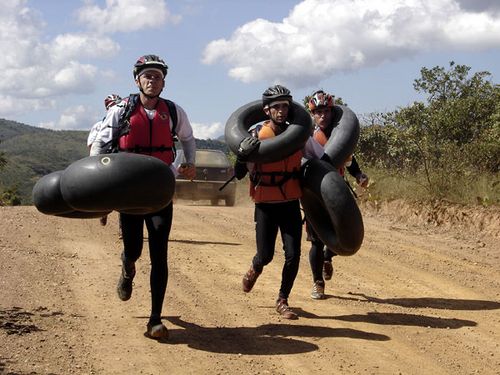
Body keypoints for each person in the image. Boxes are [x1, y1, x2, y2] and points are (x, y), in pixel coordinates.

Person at [90, 54, 196, 340]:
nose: (152, 80)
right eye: (147, 75)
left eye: (158, 76)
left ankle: (155, 319)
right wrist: (96, 182)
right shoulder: (122, 110)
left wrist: (189, 160)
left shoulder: (173, 111)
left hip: (160, 189)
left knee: (160, 254)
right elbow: (101, 141)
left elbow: (187, 137)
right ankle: (127, 266)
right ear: (137, 80)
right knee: (135, 249)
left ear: (164, 81)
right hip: (131, 191)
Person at [235, 85, 325, 320]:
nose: (281, 111)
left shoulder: (297, 134)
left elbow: (320, 157)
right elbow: (239, 174)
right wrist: (242, 155)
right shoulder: (255, 135)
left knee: (293, 254)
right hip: (265, 204)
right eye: (276, 107)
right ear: (266, 110)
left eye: (285, 106)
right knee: (265, 255)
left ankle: (283, 299)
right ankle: (255, 267)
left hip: (289, 203)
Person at [305, 90, 369, 300]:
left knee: (343, 233)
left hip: (338, 194)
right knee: (316, 240)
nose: (322, 116)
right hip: (314, 195)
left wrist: (359, 175)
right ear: (312, 115)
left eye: (326, 111)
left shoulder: (340, 135)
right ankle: (318, 283)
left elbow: (350, 161)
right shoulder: (308, 137)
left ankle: (328, 257)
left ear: (332, 112)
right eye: (318, 112)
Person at [87, 94, 122, 226]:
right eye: (112, 106)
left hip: (120, 158)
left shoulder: (126, 122)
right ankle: (103, 211)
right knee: (103, 187)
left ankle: (123, 226)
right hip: (104, 159)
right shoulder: (99, 125)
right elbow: (92, 145)